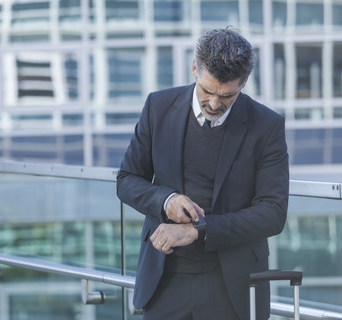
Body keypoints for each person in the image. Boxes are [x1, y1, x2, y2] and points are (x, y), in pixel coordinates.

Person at [116, 28, 289, 320]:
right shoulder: (157, 107)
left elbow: (273, 212)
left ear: (244, 82)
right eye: (207, 91)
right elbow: (127, 180)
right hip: (164, 280)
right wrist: (165, 199)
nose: (214, 104)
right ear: (195, 68)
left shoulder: (267, 126)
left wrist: (198, 231)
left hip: (232, 284)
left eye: (227, 96)